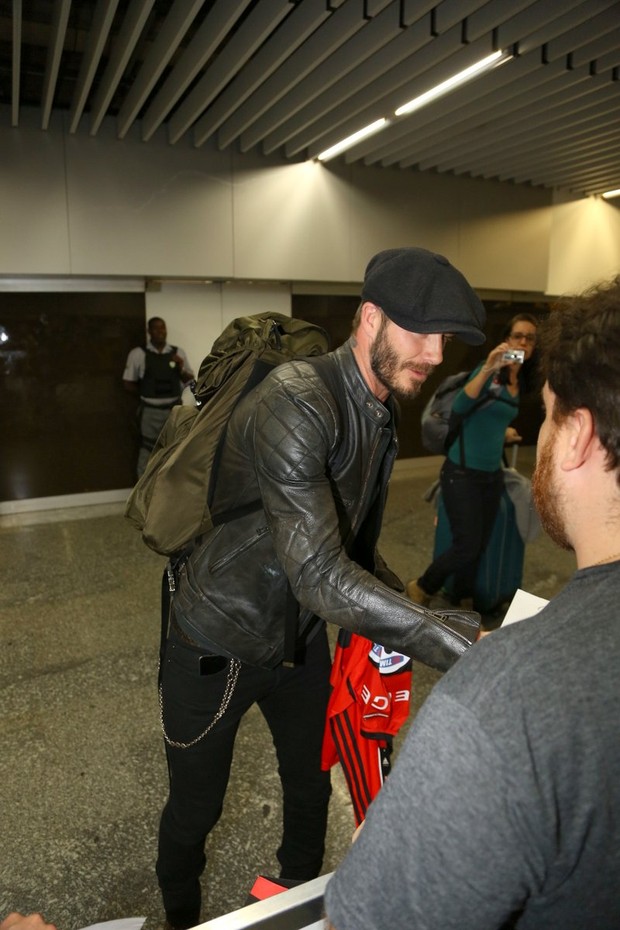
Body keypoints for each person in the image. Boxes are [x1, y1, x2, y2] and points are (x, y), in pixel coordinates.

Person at [155, 246, 488, 929]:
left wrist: (460, 622)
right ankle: (180, 916)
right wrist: (463, 645)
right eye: (420, 331)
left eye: (445, 339)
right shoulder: (297, 401)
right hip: (217, 637)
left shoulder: (379, 411)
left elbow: (353, 552)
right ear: (369, 319)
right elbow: (318, 572)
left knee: (311, 786)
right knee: (195, 811)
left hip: (300, 640)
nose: (434, 354)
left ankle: (296, 903)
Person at [324, 275, 620, 930]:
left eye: (548, 414)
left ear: (577, 437)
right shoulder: (480, 378)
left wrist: (389, 850)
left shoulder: (501, 704)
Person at [407, 312, 538, 610]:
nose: (523, 342)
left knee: (477, 544)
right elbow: (462, 405)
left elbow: (491, 415)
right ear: (507, 339)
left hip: (492, 473)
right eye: (518, 336)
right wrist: (489, 366)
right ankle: (423, 585)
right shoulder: (491, 372)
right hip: (462, 471)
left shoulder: (522, 379)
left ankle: (459, 596)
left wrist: (503, 431)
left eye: (530, 338)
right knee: (466, 544)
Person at [123, 316, 194, 477]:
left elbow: (190, 381)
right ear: (149, 331)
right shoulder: (138, 354)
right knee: (147, 449)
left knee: (176, 449)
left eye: (163, 328)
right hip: (150, 411)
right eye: (156, 328)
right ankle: (143, 494)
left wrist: (181, 367)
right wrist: (147, 392)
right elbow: (128, 383)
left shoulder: (178, 353)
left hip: (174, 410)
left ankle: (171, 489)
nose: (160, 332)